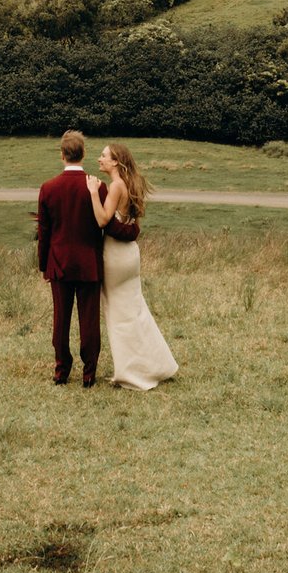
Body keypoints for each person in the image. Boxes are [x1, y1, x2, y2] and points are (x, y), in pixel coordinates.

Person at [87, 142, 179, 390]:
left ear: (116, 161)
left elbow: (103, 219)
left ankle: (130, 372)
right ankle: (155, 362)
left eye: (104, 156)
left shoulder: (116, 186)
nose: (99, 159)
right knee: (135, 310)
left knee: (119, 315)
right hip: (130, 255)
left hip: (116, 255)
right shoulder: (130, 184)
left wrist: (94, 192)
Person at [34, 128, 105, 386]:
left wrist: (44, 266)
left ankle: (61, 370)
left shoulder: (48, 188)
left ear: (62, 154)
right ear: (83, 153)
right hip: (89, 263)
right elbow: (104, 226)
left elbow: (44, 232)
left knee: (60, 318)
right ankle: (89, 373)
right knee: (89, 319)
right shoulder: (97, 186)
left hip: (59, 262)